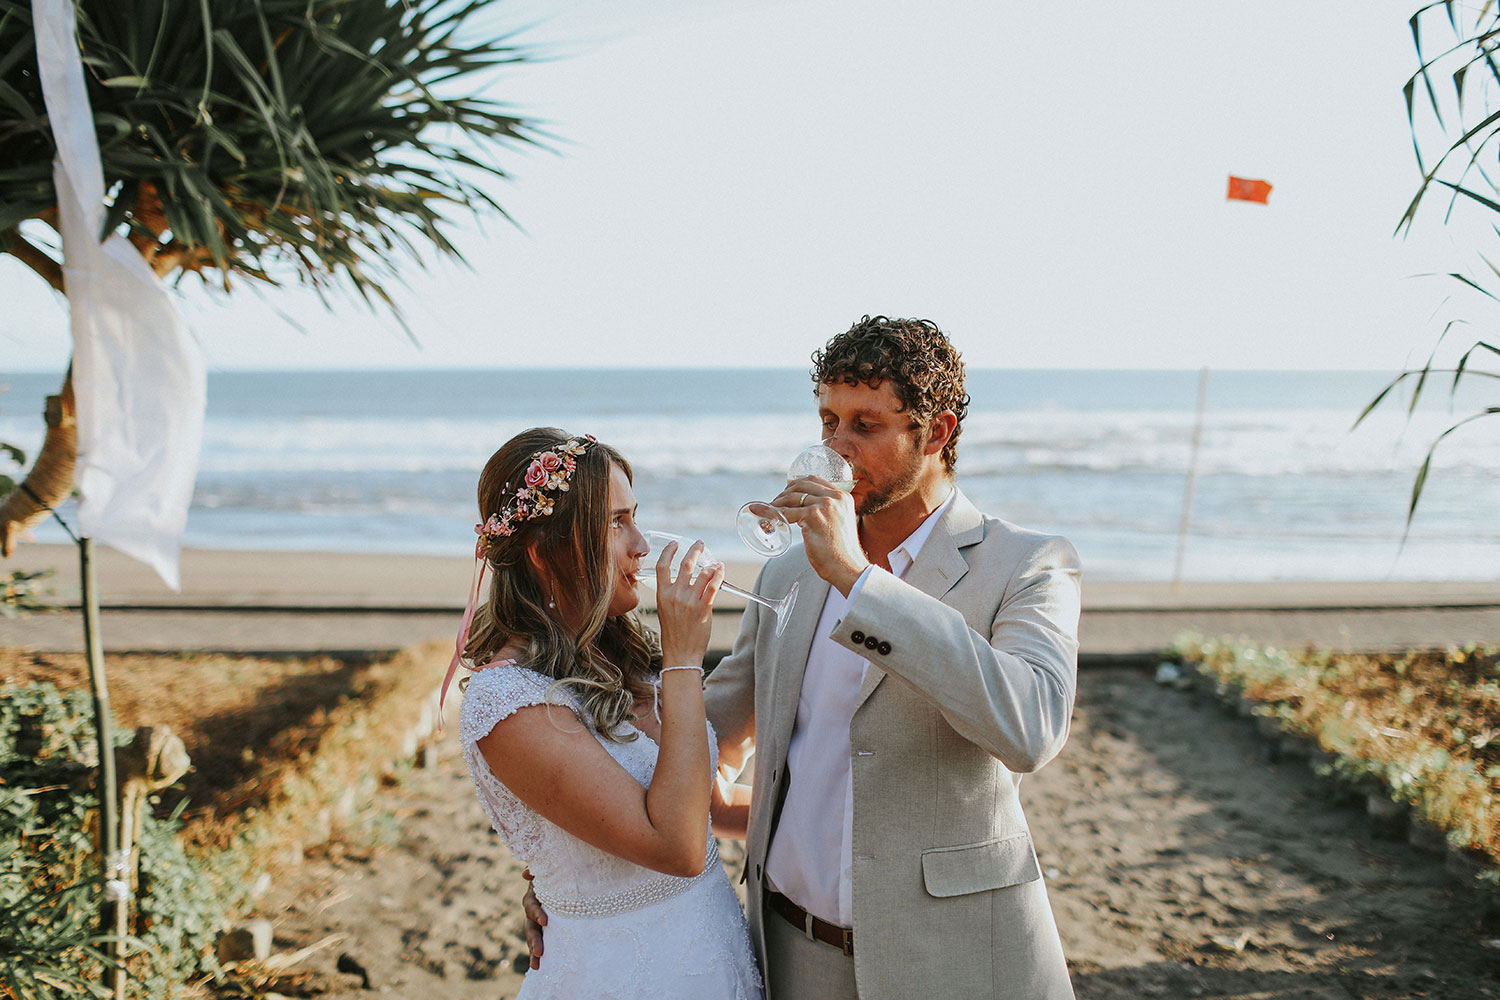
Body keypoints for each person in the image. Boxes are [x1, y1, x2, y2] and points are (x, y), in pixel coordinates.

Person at [527, 318, 1083, 999]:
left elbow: (1031, 730)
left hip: (953, 959)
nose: (836, 448)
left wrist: (858, 579)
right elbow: (693, 748)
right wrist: (569, 866)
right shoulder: (787, 575)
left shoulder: (1029, 564)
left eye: (865, 426)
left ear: (936, 433)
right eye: (828, 422)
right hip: (794, 954)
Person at [444, 427, 763, 999]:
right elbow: (679, 848)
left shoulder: (621, 660)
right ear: (544, 553)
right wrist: (684, 660)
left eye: (635, 517)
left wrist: (841, 818)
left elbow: (707, 807)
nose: (641, 545)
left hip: (713, 962)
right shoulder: (507, 703)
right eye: (616, 523)